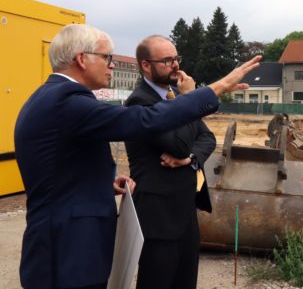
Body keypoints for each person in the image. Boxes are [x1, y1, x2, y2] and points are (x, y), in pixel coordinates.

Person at [14, 24, 261, 289]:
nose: (111, 65)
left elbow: (58, 170)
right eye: (107, 57)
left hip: (69, 244)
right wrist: (218, 87)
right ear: (81, 59)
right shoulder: (66, 102)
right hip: (67, 249)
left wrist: (102, 184)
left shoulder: (53, 98)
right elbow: (144, 120)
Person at [124, 35, 216, 288]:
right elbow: (178, 143)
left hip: (186, 211)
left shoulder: (175, 96)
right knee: (157, 281)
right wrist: (190, 101)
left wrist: (189, 158)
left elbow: (207, 138)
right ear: (145, 65)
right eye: (166, 60)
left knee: (185, 282)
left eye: (176, 58)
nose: (175, 65)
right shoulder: (139, 102)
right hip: (158, 216)